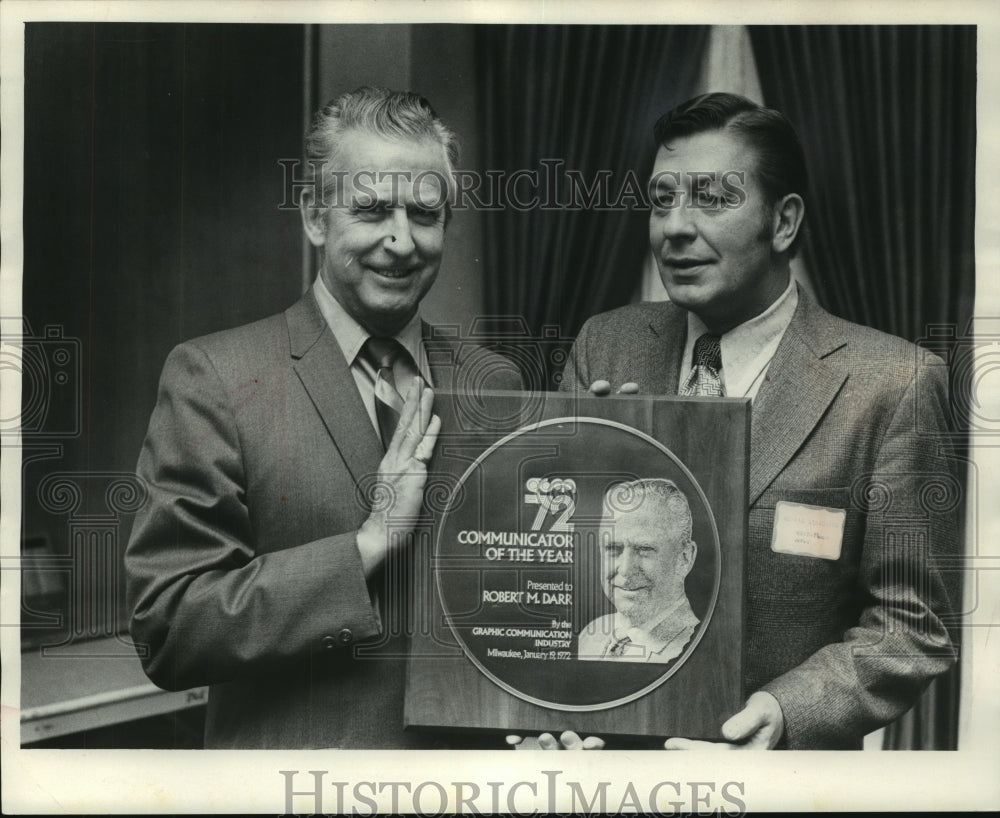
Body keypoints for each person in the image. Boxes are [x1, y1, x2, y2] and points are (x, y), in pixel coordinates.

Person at [555, 92, 960, 750]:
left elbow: (914, 624)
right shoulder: (606, 345)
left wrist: (784, 711)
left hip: (778, 779)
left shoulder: (893, 386)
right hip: (605, 767)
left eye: (712, 198)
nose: (674, 228)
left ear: (783, 222)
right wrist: (579, 471)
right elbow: (557, 572)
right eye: (661, 199)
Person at [125, 87, 522, 749]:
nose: (401, 241)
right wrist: (368, 545)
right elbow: (168, 629)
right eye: (370, 210)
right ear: (315, 215)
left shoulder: (495, 384)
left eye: (424, 213)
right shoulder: (214, 378)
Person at [578, 478, 699, 664]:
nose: (626, 570)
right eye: (613, 549)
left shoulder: (696, 649)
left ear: (684, 558)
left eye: (645, 549)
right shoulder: (591, 635)